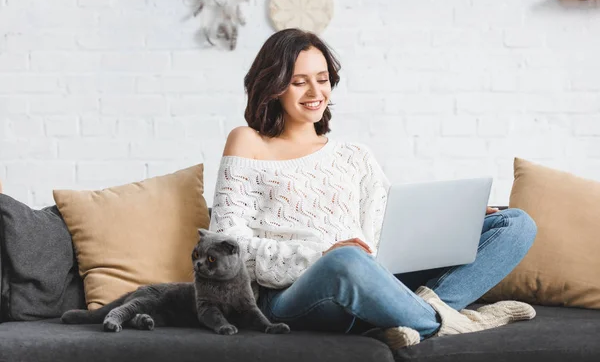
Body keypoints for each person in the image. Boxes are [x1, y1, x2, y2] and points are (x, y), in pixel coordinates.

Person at [207, 28, 537, 350]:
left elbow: (386, 230)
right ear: (275, 87)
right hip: (291, 295)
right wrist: (320, 256)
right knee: (347, 260)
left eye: (322, 80)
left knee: (516, 223)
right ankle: (453, 323)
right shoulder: (247, 141)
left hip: (375, 279)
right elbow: (224, 248)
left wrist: (454, 221)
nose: (315, 92)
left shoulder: (355, 155)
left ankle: (407, 318)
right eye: (299, 82)